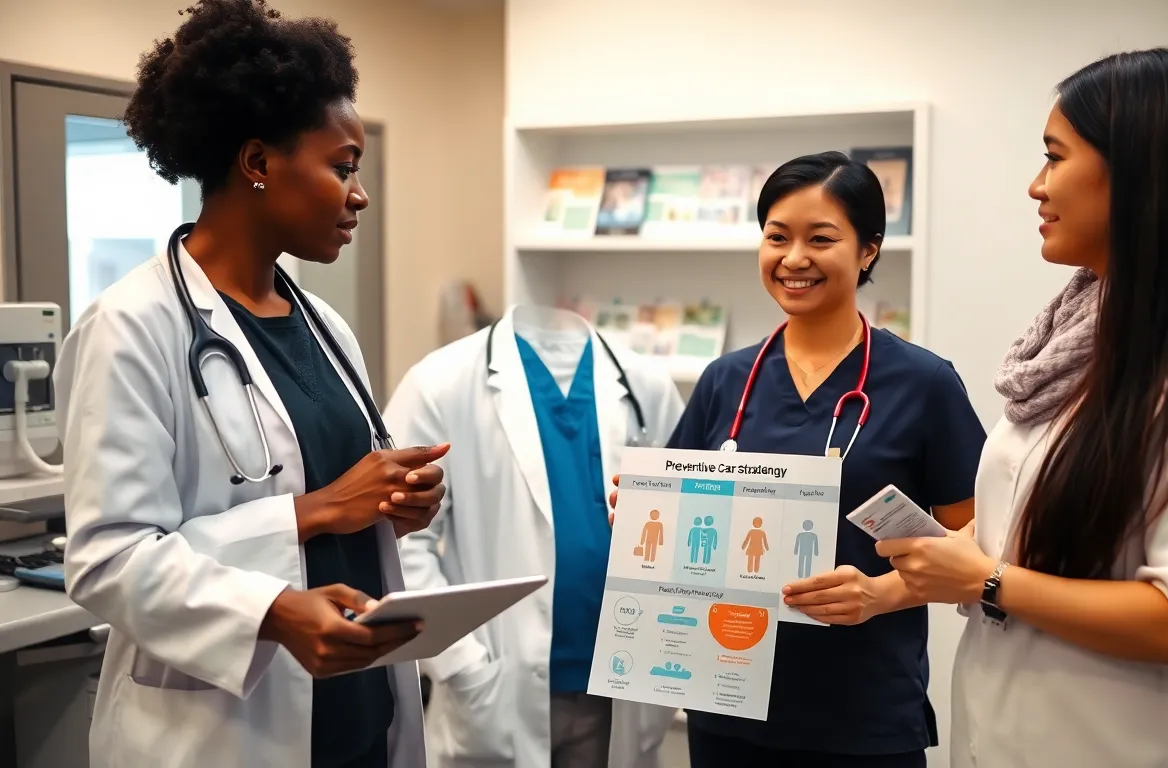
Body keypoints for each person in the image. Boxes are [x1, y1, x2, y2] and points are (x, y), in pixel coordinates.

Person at [52, 2, 445, 766]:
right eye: (343, 166)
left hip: (357, 714)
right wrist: (297, 551)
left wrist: (392, 508)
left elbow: (334, 506)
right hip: (225, 732)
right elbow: (106, 558)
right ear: (258, 163)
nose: (358, 194)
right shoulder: (133, 327)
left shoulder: (327, 326)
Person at [878, 48, 1168, 768]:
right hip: (1010, 733)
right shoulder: (1082, 341)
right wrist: (901, 581)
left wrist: (985, 581)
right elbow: (1036, 512)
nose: (1036, 187)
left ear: (1138, 174)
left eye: (1054, 157)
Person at [612, 151, 987, 767]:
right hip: (726, 703)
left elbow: (978, 538)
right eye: (776, 237)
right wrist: (639, 511)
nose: (793, 259)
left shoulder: (924, 384)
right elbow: (676, 529)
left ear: (868, 249)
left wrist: (880, 593)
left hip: (861, 714)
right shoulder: (725, 380)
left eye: (821, 238)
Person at [381, 304, 685, 768]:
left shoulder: (646, 385)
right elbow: (401, 539)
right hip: (498, 683)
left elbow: (686, 521)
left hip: (620, 684)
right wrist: (461, 663)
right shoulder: (441, 382)